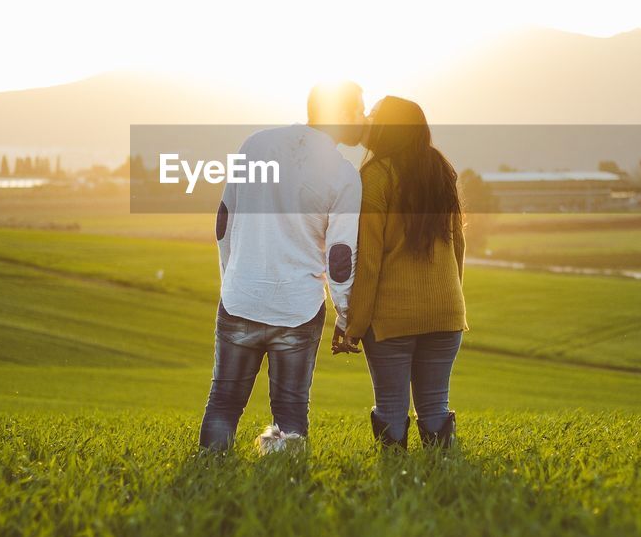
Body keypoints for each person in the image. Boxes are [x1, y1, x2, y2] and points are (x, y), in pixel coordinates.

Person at [198, 81, 367, 452]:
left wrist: (232, 278)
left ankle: (208, 474)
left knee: (224, 402)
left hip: (240, 297)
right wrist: (345, 314)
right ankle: (284, 486)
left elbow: (224, 220)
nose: (363, 117)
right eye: (358, 109)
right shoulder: (343, 176)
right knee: (291, 411)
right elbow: (340, 256)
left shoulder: (256, 145)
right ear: (339, 114)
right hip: (298, 308)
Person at [333, 96, 468, 449]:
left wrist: (354, 325)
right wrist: (449, 301)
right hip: (447, 314)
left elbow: (370, 261)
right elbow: (458, 244)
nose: (367, 121)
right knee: (435, 405)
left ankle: (397, 483)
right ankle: (444, 477)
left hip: (392, 319)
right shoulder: (441, 169)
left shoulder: (375, 177)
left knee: (392, 406)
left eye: (374, 116)